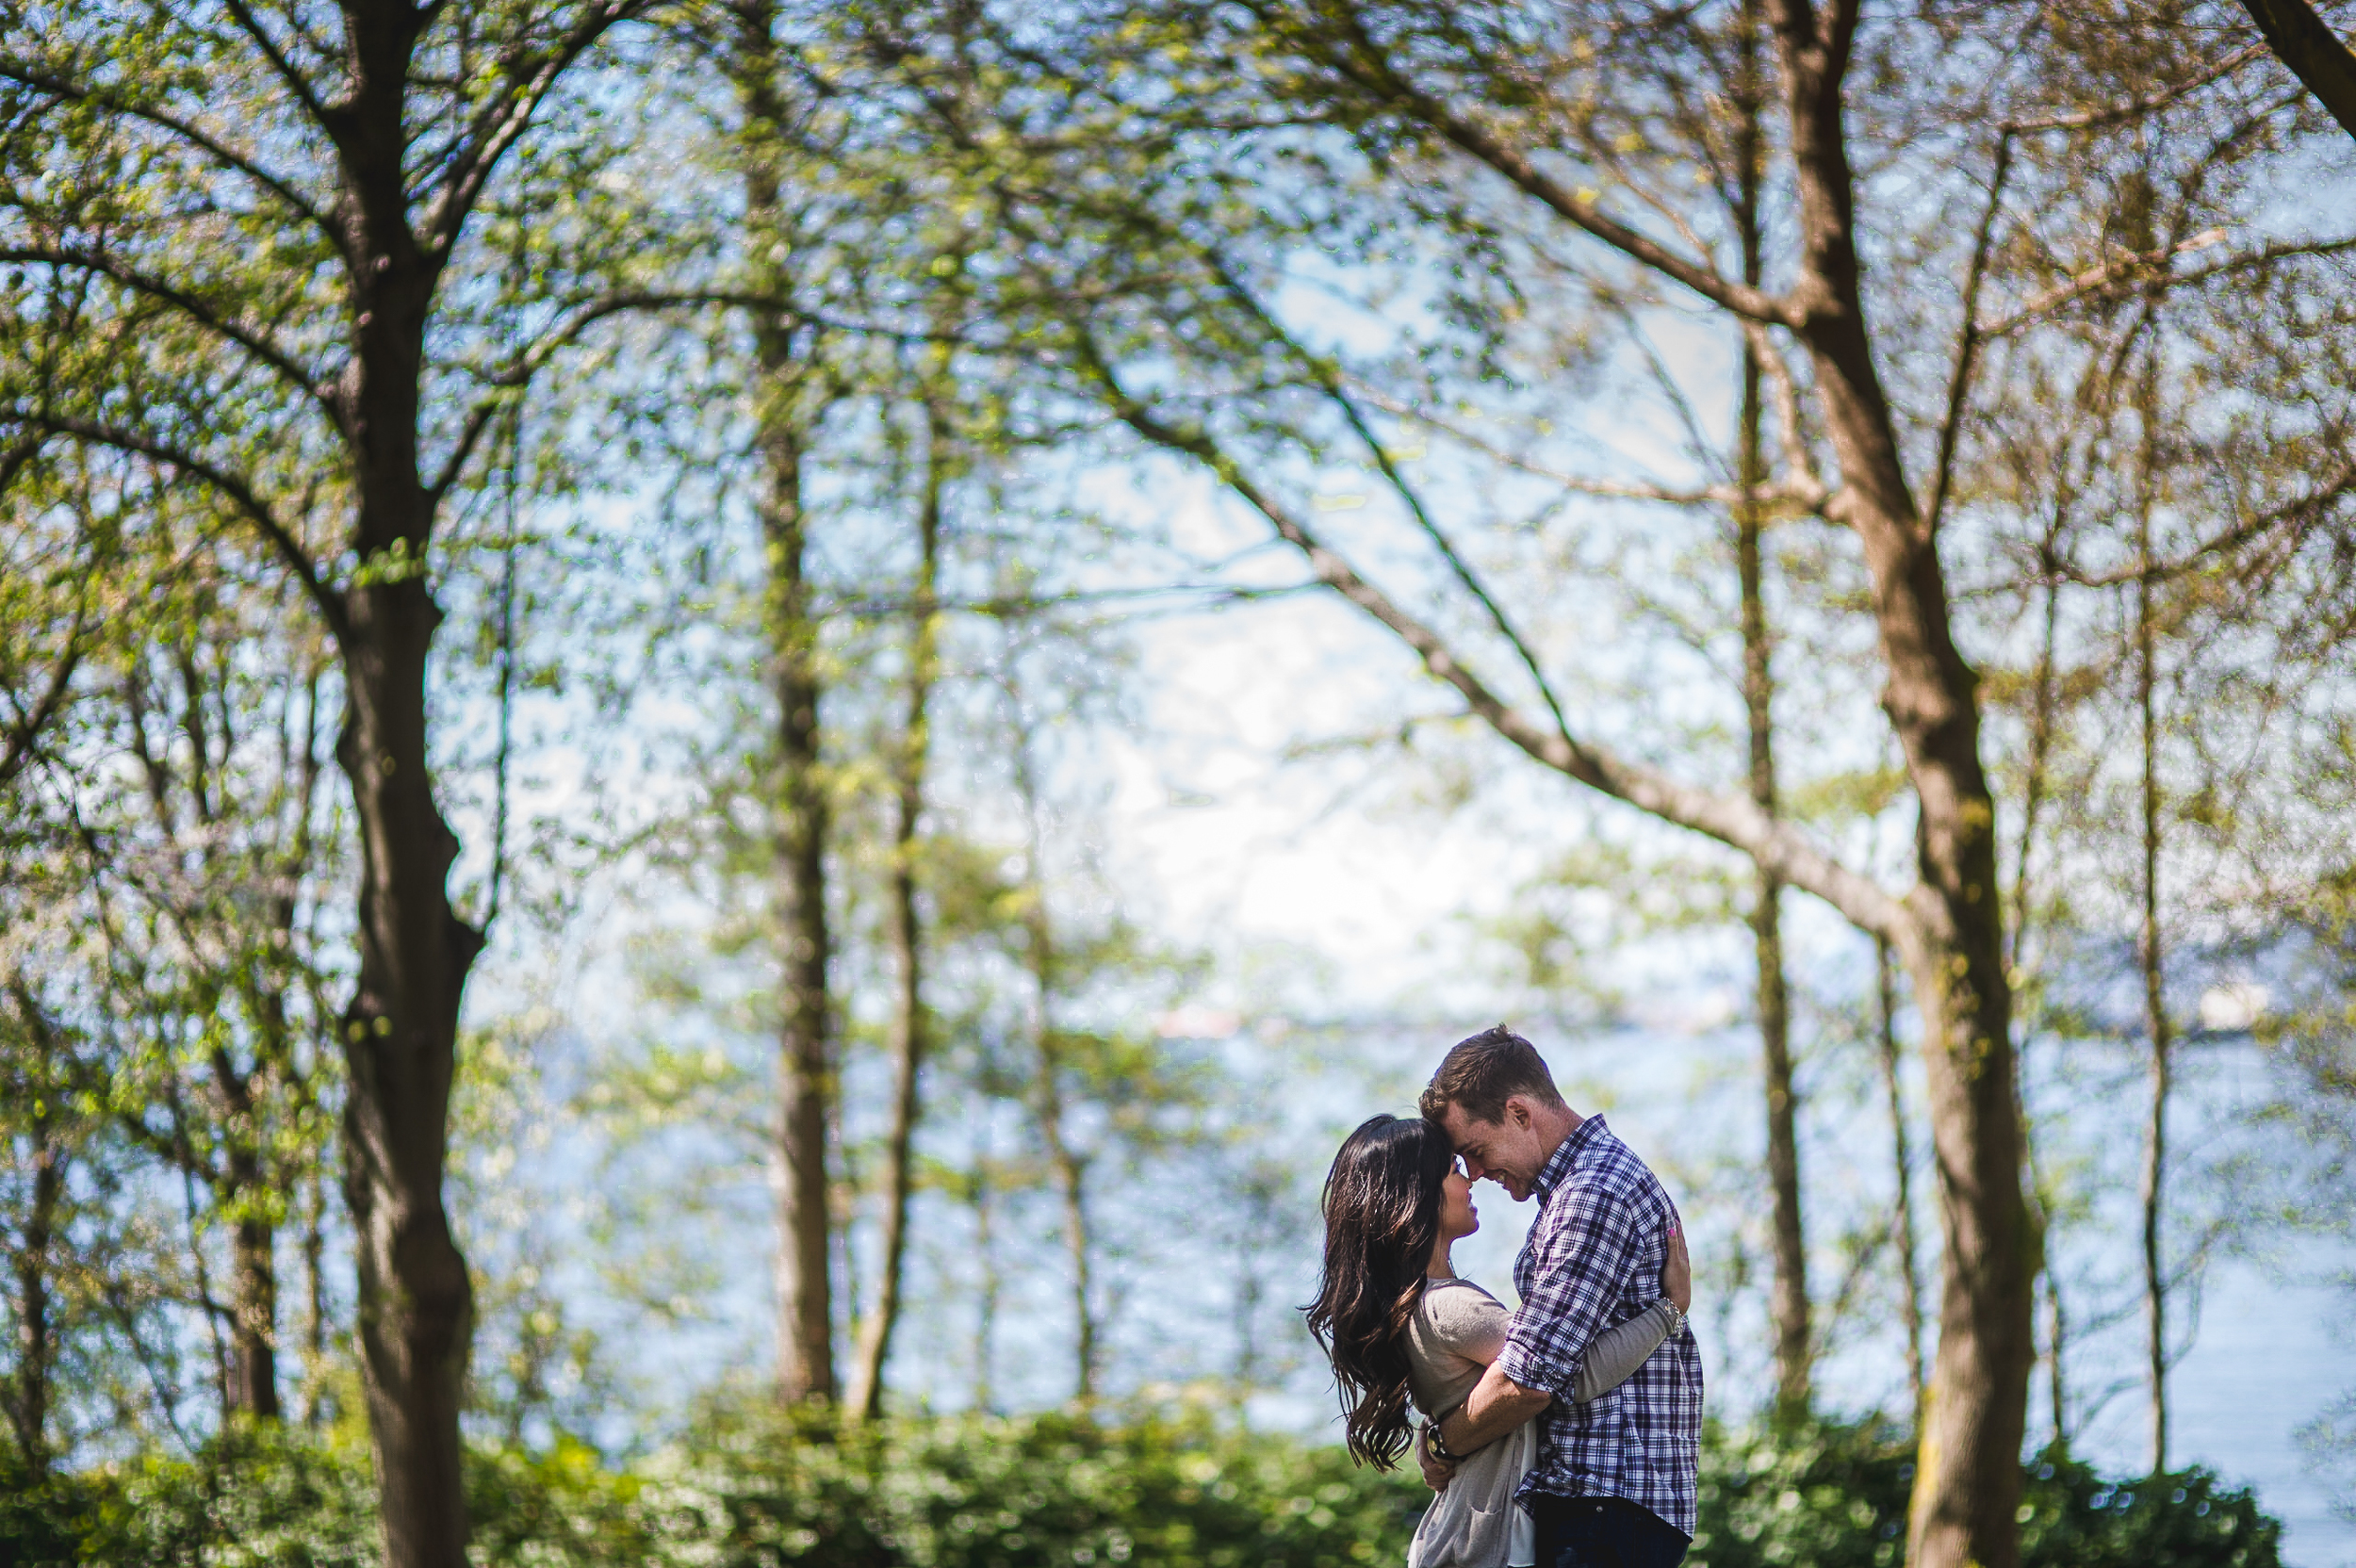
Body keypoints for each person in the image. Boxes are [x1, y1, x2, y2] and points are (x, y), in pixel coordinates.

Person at [1306, 1113, 1692, 1568]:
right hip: (1483, 1542)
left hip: (1460, 1536)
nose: (1471, 1179)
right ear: (1416, 1196)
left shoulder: (1411, 1308)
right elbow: (1567, 1375)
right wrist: (1669, 1310)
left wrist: (1436, 1438)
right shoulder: (1449, 1306)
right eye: (1453, 1169)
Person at [1417, 1026, 1704, 1568]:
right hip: (1602, 1510)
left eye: (1474, 1150)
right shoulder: (1578, 1190)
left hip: (1600, 1508)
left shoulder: (1589, 1195)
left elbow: (1532, 1377)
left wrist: (1444, 1444)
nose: (1474, 1173)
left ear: (1520, 1113)